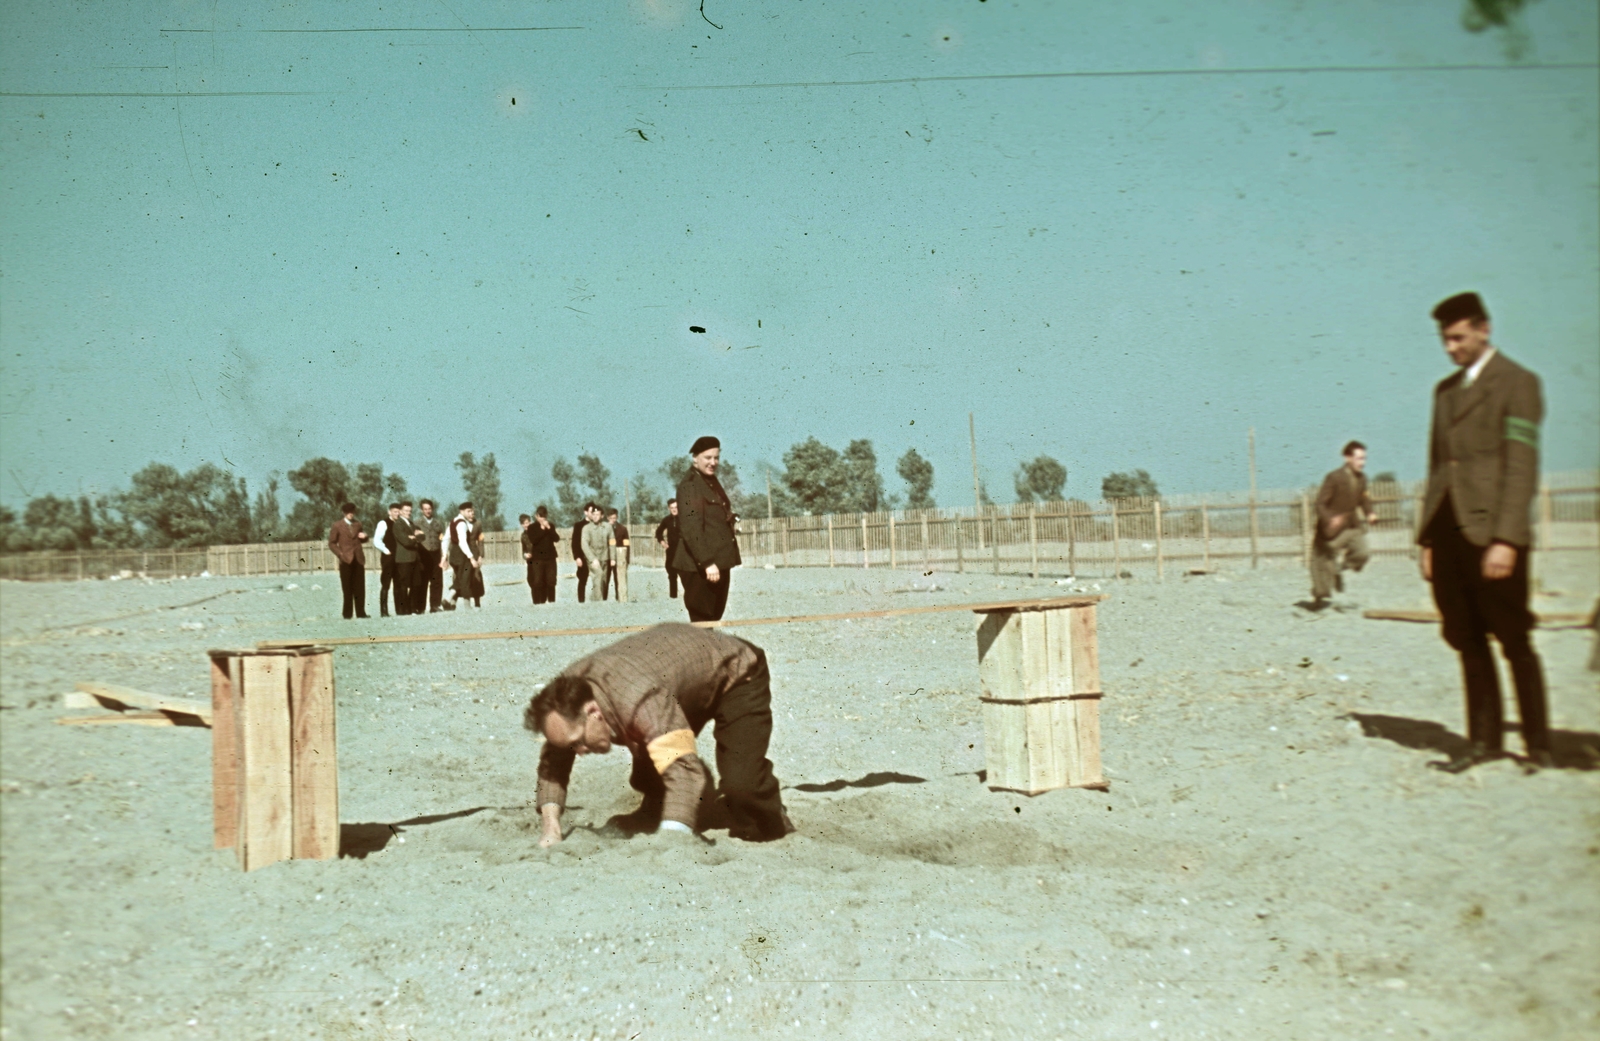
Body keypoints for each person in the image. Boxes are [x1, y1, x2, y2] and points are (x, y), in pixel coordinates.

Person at [1418, 292, 1550, 773]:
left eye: (1458, 338)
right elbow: (1438, 469)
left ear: (1484, 329)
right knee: (1466, 638)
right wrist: (1428, 540)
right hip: (1451, 535)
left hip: (1493, 536)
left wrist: (1507, 539)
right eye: (1444, 340)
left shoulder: (1519, 384)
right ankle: (1484, 741)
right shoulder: (1444, 391)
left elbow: (1521, 468)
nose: (1450, 348)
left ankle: (1538, 746)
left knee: (1514, 639)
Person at [524, 623, 792, 845]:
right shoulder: (563, 701)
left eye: (578, 743)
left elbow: (683, 772)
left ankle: (775, 824)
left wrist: (671, 842)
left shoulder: (639, 700)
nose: (579, 753)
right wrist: (551, 829)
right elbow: (553, 762)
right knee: (647, 775)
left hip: (735, 674)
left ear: (593, 711)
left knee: (741, 784)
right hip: (675, 682)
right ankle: (671, 810)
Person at [673, 436, 741, 622]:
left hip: (717, 563)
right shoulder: (690, 485)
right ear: (695, 458)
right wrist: (707, 562)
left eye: (716, 458)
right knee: (702, 620)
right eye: (707, 458)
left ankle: (709, 651)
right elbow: (690, 528)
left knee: (713, 619)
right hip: (701, 567)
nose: (713, 463)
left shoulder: (709, 481)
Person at [1309, 441, 1377, 605]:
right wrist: (1329, 519)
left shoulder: (1362, 478)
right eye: (1359, 458)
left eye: (1364, 459)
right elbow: (1320, 504)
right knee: (1321, 561)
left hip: (1351, 526)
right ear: (1348, 458)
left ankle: (1339, 568)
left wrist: (1370, 513)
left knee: (1363, 553)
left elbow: (1364, 499)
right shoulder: (1334, 478)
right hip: (1331, 529)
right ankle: (1320, 595)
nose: (1363, 463)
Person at [328, 502, 370, 619]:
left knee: (360, 587)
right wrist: (340, 554)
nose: (350, 514)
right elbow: (331, 543)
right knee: (347, 588)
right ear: (343, 513)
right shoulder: (337, 525)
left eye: (352, 512)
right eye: (348, 512)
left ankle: (361, 613)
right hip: (345, 560)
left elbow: (362, 539)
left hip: (358, 559)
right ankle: (347, 614)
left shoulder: (358, 524)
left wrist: (365, 537)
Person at [444, 502, 484, 609]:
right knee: (461, 578)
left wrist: (480, 555)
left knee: (475, 578)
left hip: (473, 554)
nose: (471, 514)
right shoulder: (460, 523)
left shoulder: (478, 524)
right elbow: (452, 540)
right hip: (463, 554)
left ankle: (476, 603)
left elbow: (480, 540)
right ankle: (455, 602)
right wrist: (444, 555)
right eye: (469, 511)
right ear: (462, 512)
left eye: (473, 511)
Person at [523, 506, 561, 604]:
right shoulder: (532, 527)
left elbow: (556, 538)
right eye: (540, 516)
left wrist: (549, 528)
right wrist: (542, 529)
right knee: (538, 581)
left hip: (550, 558)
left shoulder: (550, 526)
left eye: (544, 516)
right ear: (536, 516)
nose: (542, 518)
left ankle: (552, 602)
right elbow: (534, 540)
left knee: (551, 581)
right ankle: (537, 602)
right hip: (538, 558)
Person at [392, 501, 422, 616]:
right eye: (406, 511)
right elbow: (405, 541)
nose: (408, 513)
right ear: (400, 511)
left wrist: (413, 537)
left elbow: (422, 536)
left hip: (414, 558)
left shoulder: (411, 523)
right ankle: (404, 610)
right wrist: (415, 537)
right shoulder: (398, 524)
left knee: (416, 584)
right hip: (404, 559)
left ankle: (413, 608)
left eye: (410, 511)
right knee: (404, 585)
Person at [416, 498, 447, 613]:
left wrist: (444, 556)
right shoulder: (417, 523)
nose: (428, 511)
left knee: (437, 581)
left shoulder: (438, 523)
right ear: (421, 510)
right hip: (423, 554)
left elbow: (443, 539)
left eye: (429, 509)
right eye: (425, 509)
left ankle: (435, 605)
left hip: (436, 554)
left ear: (432, 509)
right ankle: (420, 607)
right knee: (423, 581)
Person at [580, 503, 612, 603]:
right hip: (593, 559)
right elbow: (584, 545)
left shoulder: (608, 527)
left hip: (605, 558)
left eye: (597, 514)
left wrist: (613, 558)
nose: (595, 516)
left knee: (604, 581)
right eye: (593, 514)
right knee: (598, 578)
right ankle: (598, 605)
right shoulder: (586, 528)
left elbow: (612, 542)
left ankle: (594, 601)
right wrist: (592, 559)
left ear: (602, 516)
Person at [374, 502, 400, 617]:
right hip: (388, 558)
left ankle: (400, 610)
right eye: (395, 511)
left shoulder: (400, 523)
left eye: (399, 511)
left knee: (398, 584)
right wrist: (386, 550)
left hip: (399, 558)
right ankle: (384, 611)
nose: (397, 514)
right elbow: (376, 540)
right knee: (386, 583)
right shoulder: (383, 523)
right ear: (389, 512)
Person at [655, 498, 682, 599]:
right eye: (672, 508)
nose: (674, 510)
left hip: (683, 550)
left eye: (676, 507)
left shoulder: (684, 519)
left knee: (686, 574)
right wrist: (662, 542)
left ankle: (689, 595)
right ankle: (673, 596)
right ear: (669, 508)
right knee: (671, 572)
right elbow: (658, 532)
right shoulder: (666, 520)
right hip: (671, 550)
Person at [603, 508, 630, 602]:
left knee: (618, 579)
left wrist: (627, 559)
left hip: (619, 557)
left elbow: (627, 545)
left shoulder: (623, 529)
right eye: (610, 518)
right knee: (605, 579)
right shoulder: (603, 529)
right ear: (607, 518)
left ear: (617, 517)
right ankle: (603, 599)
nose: (613, 520)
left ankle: (619, 598)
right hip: (607, 557)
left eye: (614, 518)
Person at [570, 509, 590, 604]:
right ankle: (581, 602)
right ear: (585, 512)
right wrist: (577, 557)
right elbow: (575, 543)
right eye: (590, 512)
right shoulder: (579, 526)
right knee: (582, 579)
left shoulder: (597, 525)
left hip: (596, 558)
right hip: (583, 557)